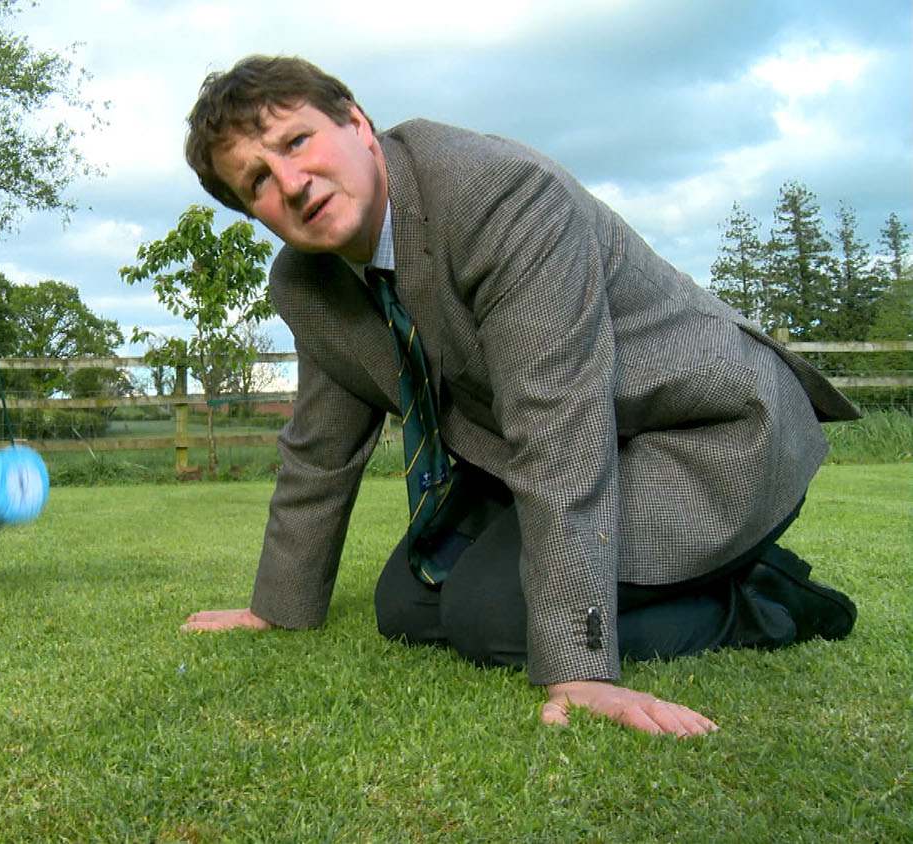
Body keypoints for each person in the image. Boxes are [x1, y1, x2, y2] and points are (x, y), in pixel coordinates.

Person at [178, 55, 859, 738]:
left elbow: (557, 424)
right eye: (257, 180)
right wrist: (277, 606)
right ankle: (677, 575)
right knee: (408, 606)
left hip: (708, 434)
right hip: (593, 443)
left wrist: (578, 671)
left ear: (357, 123)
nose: (291, 182)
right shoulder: (306, 283)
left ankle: (766, 601)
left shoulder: (495, 195)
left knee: (495, 618)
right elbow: (321, 448)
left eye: (297, 141)